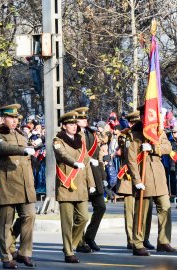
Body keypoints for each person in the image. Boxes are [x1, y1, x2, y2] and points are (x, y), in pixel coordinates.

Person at [0, 104, 37, 269]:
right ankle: (6, 256)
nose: (15, 121)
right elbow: (1, 148)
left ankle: (24, 252)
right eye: (11, 118)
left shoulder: (21, 134)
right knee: (6, 222)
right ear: (3, 119)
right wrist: (23, 150)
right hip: (7, 183)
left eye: (17, 118)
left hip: (24, 183)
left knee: (29, 216)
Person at [128, 105, 177, 256]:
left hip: (158, 176)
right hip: (144, 177)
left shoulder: (158, 132)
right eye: (146, 116)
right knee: (142, 212)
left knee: (165, 208)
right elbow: (131, 160)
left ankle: (163, 241)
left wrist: (153, 147)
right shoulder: (134, 135)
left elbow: (168, 147)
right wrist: (136, 180)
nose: (148, 119)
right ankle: (138, 243)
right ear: (142, 117)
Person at [53, 111, 95, 263]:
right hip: (66, 185)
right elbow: (62, 155)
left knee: (84, 217)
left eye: (75, 124)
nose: (74, 126)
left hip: (81, 185)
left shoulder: (80, 140)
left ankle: (70, 244)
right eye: (70, 124)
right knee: (67, 221)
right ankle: (69, 252)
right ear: (64, 126)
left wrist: (92, 183)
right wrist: (74, 163)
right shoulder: (58, 140)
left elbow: (86, 162)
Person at [115, 111, 154, 250]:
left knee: (147, 209)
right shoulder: (126, 136)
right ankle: (131, 239)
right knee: (130, 211)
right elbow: (127, 154)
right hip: (128, 176)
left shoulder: (146, 136)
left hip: (144, 175)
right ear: (131, 123)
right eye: (135, 122)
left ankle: (145, 237)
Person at [74, 107, 107, 252]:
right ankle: (80, 242)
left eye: (85, 118)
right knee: (80, 212)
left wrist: (103, 175)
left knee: (101, 207)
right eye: (81, 119)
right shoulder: (73, 134)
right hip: (80, 173)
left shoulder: (92, 134)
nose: (84, 120)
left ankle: (90, 236)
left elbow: (98, 155)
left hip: (94, 173)